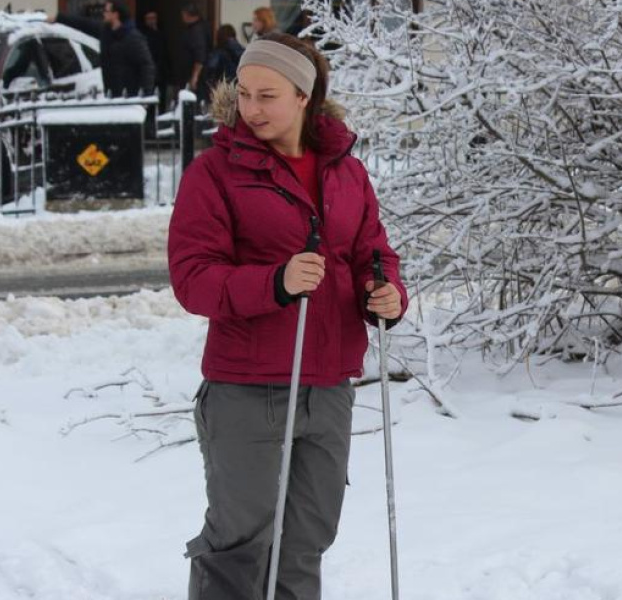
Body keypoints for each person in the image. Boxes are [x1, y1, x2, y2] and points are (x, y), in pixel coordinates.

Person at [168, 32, 408, 600]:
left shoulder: (345, 171)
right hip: (247, 388)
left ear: (305, 96)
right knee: (239, 542)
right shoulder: (215, 173)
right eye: (245, 94)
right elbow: (193, 278)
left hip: (328, 385)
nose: (251, 109)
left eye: (267, 95)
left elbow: (374, 251)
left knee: (306, 539)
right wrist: (274, 282)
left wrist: (386, 292)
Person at [51, 1, 155, 97]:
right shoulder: (106, 31)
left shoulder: (133, 38)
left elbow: (146, 65)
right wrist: (59, 18)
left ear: (115, 14)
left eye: (106, 11)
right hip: (111, 93)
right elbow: (84, 24)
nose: (103, 14)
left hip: (130, 95)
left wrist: (146, 95)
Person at [200, 24, 245, 104]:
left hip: (222, 89)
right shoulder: (241, 50)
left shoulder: (218, 52)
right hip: (238, 88)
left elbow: (210, 71)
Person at [139, 10, 172, 109]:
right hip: (149, 73)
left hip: (162, 73)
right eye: (149, 19)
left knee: (161, 101)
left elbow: (165, 54)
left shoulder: (161, 34)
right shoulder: (142, 35)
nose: (152, 21)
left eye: (154, 18)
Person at [178, 2, 212, 95]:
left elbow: (200, 56)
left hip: (196, 76)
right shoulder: (198, 27)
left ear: (187, 14)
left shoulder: (197, 31)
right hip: (193, 73)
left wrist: (195, 77)